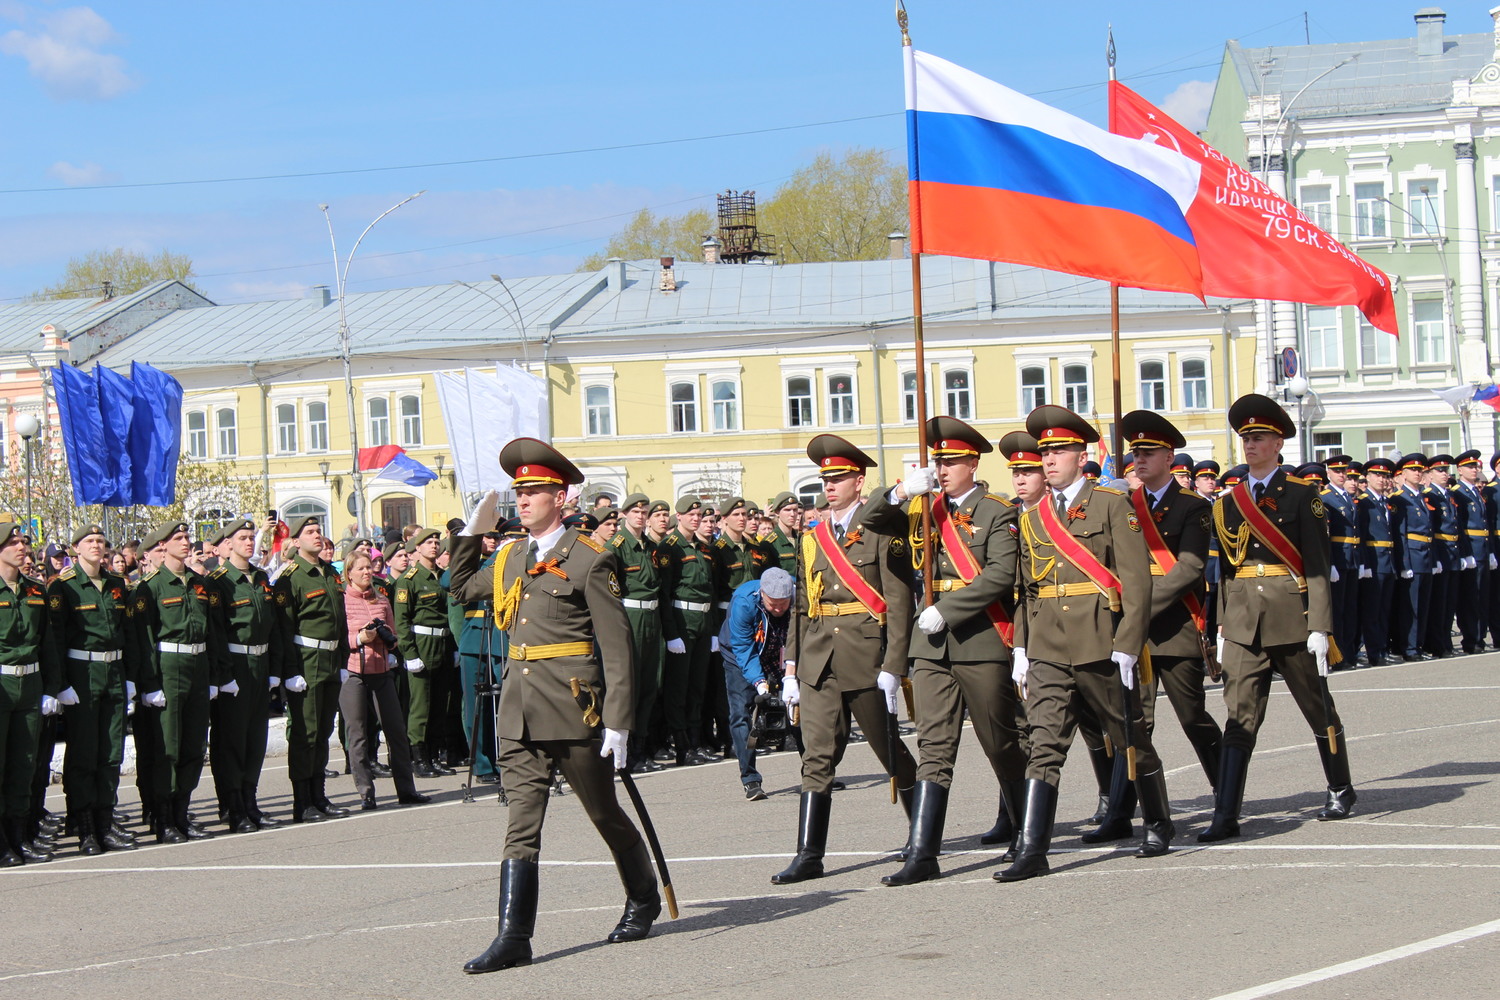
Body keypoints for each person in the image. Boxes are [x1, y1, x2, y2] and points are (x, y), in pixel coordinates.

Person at [450, 438, 659, 974]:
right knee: (521, 824)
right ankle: (513, 936)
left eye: (536, 491)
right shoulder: (511, 555)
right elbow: (459, 588)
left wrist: (618, 721)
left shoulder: (591, 558)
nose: (524, 500)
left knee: (603, 813)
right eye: (519, 491)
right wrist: (473, 533)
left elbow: (617, 648)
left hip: (573, 709)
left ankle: (642, 897)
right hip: (519, 708)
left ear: (560, 496)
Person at [998, 406, 1165, 882]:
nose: (1048, 460)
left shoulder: (1111, 504)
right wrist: (1022, 649)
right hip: (1048, 644)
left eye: (1058, 451)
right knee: (1044, 743)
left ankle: (1156, 818)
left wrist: (1129, 644)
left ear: (1081, 454)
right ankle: (1033, 849)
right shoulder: (1031, 519)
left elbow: (1136, 581)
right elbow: (1028, 590)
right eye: (1044, 452)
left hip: (1100, 642)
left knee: (1127, 732)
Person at [858, 416, 1023, 886]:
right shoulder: (922, 509)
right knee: (933, 743)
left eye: (951, 461)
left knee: (999, 739)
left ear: (972, 463)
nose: (943, 470)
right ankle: (924, 853)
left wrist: (948, 610)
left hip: (978, 637)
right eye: (938, 462)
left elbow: (999, 574)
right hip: (930, 647)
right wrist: (902, 492)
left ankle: (1021, 827)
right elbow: (870, 519)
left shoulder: (996, 511)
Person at [1199, 394, 1353, 842]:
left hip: (1293, 616)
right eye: (1245, 438)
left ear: (1278, 442)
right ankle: (1225, 813)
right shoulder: (1227, 503)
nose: (1250, 445)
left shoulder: (1304, 497)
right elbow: (1226, 574)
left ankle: (1340, 787)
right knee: (1238, 715)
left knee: (1316, 706)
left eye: (1259, 437)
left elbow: (1318, 568)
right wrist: (1223, 628)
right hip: (1245, 621)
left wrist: (1321, 627)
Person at [770, 435, 918, 884]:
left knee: (888, 749)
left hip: (865, 655)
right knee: (816, 756)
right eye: (825, 479)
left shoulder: (881, 532)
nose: (829, 487)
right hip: (818, 659)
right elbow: (800, 608)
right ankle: (809, 854)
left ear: (860, 481)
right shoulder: (813, 539)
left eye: (838, 479)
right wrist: (791, 668)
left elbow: (898, 602)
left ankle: (921, 833)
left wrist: (895, 664)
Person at [1084, 412, 1220, 844]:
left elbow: (1189, 569)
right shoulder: (1123, 503)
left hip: (1174, 627)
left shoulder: (1193, 506)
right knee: (1131, 723)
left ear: (1169, 456)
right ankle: (1124, 811)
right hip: (1133, 634)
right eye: (1134, 454)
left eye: (1147, 453)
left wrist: (1136, 606)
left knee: (1192, 716)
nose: (1138, 461)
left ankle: (1225, 793)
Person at [133, 520, 230, 843]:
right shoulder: (151, 587)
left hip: (198, 665)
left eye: (187, 537)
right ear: (162, 546)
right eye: (179, 538)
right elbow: (143, 639)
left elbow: (214, 633)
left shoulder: (199, 584)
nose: (186, 542)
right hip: (169, 667)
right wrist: (149, 683)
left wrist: (215, 676)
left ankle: (182, 811)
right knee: (169, 747)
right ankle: (164, 818)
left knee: (193, 745)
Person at [48, 523, 137, 855]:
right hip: (82, 673)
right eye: (90, 541)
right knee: (84, 752)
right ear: (76, 548)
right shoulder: (65, 587)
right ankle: (84, 826)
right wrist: (60, 684)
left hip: (113, 669)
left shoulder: (116, 584)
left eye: (101, 541)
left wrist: (129, 675)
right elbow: (55, 639)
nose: (97, 546)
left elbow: (126, 631)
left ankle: (105, 820)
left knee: (111, 752)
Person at [206, 517, 287, 831]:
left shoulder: (261, 577)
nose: (249, 542)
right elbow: (216, 633)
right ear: (228, 544)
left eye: (252, 537)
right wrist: (223, 675)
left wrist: (275, 671)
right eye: (242, 537)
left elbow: (274, 627)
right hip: (235, 667)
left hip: (261, 664)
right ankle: (232, 805)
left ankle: (251, 801)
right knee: (231, 741)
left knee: (255, 739)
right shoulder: (218, 581)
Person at [274, 516, 351, 824]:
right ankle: (302, 800)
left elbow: (340, 621)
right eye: (309, 532)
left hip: (331, 661)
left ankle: (319, 795)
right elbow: (283, 628)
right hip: (306, 661)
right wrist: (290, 671)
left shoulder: (330, 574)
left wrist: (344, 661)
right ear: (295, 541)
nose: (317, 536)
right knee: (305, 734)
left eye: (319, 531)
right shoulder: (290, 578)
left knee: (323, 732)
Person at [341, 551, 430, 810]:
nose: (367, 572)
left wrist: (386, 637)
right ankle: (366, 793)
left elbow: (393, 633)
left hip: (381, 672)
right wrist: (359, 639)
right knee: (358, 735)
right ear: (349, 573)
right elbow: (339, 636)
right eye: (361, 569)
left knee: (396, 731)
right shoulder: (343, 601)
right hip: (355, 672)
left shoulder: (381, 599)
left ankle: (407, 790)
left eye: (369, 568)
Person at [1, 520, 62, 866]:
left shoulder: (34, 590)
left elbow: (47, 644)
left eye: (23, 541)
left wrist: (51, 688)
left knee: (24, 766)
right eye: (13, 543)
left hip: (30, 685)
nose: (22, 547)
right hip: (2, 684)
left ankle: (18, 837)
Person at [719, 567, 795, 802]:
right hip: (741, 656)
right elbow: (743, 648)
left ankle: (817, 775)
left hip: (780, 652)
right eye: (773, 604)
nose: (779, 609)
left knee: (800, 709)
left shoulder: (799, 595)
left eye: (784, 604)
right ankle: (750, 779)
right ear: (762, 594)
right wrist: (760, 683)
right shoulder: (744, 601)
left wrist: (791, 676)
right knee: (741, 714)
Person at [610, 493, 670, 773]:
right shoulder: (617, 546)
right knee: (631, 686)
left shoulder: (649, 546)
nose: (641, 515)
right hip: (631, 616)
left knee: (650, 683)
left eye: (644, 511)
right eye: (635, 511)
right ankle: (629, 750)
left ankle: (643, 747)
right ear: (624, 514)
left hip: (652, 615)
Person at [395, 527, 457, 778]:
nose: (434, 546)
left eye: (436, 542)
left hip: (443, 642)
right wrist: (409, 654)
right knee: (420, 705)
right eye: (428, 542)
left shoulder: (443, 577)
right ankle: (419, 759)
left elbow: (451, 615)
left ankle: (433, 755)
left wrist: (453, 648)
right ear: (417, 548)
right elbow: (401, 621)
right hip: (422, 643)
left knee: (440, 704)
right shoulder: (409, 579)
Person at [660, 497, 717, 766]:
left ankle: (696, 742)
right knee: (678, 688)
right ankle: (682, 744)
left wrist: (714, 629)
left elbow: (710, 590)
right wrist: (671, 633)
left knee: (698, 686)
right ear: (678, 517)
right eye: (690, 514)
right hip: (682, 621)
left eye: (698, 515)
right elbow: (664, 593)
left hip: (703, 621)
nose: (695, 519)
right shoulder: (670, 548)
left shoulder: (703, 548)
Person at [1356, 457, 1403, 666]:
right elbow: (1363, 536)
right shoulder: (1363, 503)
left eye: (1385, 476)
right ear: (1367, 477)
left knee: (1385, 609)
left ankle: (1383, 648)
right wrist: (1364, 563)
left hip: (1387, 561)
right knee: (1373, 610)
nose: (1382, 479)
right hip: (1373, 561)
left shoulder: (1385, 502)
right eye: (1377, 475)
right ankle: (1375, 651)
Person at [1321, 456, 1362, 667]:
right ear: (1329, 473)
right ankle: (1337, 656)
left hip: (1352, 559)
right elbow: (1327, 536)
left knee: (1350, 609)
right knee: (1337, 611)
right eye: (1337, 471)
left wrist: (1360, 561)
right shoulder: (1326, 498)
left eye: (1344, 471)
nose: (1342, 475)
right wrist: (1332, 563)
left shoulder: (1347, 497)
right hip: (1338, 559)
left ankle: (1349, 653)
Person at [1452, 450, 1490, 654]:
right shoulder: (1458, 492)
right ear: (1459, 470)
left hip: (1482, 548)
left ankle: (1480, 637)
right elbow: (1460, 526)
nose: (1475, 470)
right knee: (1471, 597)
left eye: (1476, 466)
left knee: (1482, 596)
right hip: (1471, 550)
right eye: (1470, 467)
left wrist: (1490, 550)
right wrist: (1466, 553)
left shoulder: (1475, 491)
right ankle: (1471, 639)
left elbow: (1485, 524)